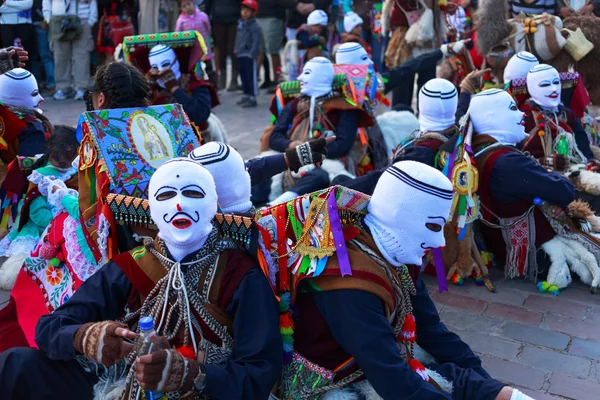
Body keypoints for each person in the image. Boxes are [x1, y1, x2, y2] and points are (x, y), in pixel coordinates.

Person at [0, 158, 283, 399]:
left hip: (204, 391)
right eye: (165, 196)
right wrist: (86, 338)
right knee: (18, 363)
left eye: (193, 194)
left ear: (214, 203)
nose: (179, 205)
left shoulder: (241, 275)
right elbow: (50, 327)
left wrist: (193, 374)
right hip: (118, 384)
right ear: (151, 207)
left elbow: (259, 372)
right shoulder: (131, 264)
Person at [270, 160, 532, 400]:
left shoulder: (396, 250)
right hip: (328, 383)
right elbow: (393, 381)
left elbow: (431, 329)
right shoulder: (348, 282)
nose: (440, 242)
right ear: (399, 214)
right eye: (433, 226)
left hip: (376, 363)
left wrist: (485, 381)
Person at [471, 88, 575, 280]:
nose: (522, 113)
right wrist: (553, 182)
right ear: (493, 118)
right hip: (537, 255)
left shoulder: (479, 151)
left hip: (498, 245)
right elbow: (565, 192)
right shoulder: (508, 162)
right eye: (512, 109)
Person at [269, 57, 373, 203]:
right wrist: (292, 145)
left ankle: (275, 204)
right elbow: (274, 138)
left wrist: (309, 151)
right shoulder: (294, 104)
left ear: (321, 77)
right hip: (291, 159)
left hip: (327, 163)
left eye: (307, 73)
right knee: (261, 170)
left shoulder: (345, 108)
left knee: (320, 177)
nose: (300, 77)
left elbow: (342, 146)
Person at [0, 126, 79, 290]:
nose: (68, 156)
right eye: (64, 151)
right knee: (18, 273)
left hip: (70, 221)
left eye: (72, 151)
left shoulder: (75, 171)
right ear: (52, 151)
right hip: (42, 229)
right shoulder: (41, 176)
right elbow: (36, 211)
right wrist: (57, 225)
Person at [145, 44, 216, 128]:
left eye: (165, 65)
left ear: (176, 62)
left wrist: (175, 89)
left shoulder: (195, 85)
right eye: (155, 67)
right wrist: (147, 91)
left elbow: (200, 116)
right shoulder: (155, 91)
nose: (160, 71)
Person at [43, 0, 98, 101]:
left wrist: (90, 21)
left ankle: (81, 88)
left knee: (82, 57)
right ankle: (62, 88)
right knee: (60, 57)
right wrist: (50, 20)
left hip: (82, 20)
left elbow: (92, 3)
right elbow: (46, 3)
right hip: (58, 21)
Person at [0, 68, 49, 157]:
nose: (41, 99)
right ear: (14, 97)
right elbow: (30, 167)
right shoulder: (32, 128)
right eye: (34, 94)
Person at [256, 0, 294, 92]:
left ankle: (277, 79)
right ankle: (253, 81)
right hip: (257, 15)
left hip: (273, 16)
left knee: (273, 51)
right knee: (259, 50)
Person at [205, 0, 241, 91]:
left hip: (234, 19)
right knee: (221, 50)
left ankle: (234, 79)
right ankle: (222, 78)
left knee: (233, 49)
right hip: (218, 20)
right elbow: (207, 4)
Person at [234, 0, 261, 108]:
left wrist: (252, 53)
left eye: (248, 10)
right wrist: (236, 50)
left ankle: (252, 96)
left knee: (251, 76)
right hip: (240, 54)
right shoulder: (240, 24)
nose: (244, 12)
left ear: (253, 13)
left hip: (249, 55)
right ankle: (246, 94)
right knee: (243, 76)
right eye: (243, 10)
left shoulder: (255, 27)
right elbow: (237, 38)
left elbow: (256, 41)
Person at [175, 0, 213, 77]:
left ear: (193, 3)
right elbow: (177, 35)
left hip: (204, 49)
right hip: (191, 51)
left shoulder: (203, 16)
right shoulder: (180, 20)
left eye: (188, 4)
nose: (187, 7)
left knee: (208, 71)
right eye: (184, 6)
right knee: (194, 72)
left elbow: (208, 29)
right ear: (181, 9)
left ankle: (212, 85)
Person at [0, 0, 35, 72]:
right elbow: (1, 8)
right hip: (6, 25)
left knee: (26, 55)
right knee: (8, 54)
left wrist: (7, 3)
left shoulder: (7, 2)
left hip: (24, 24)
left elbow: (28, 4)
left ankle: (27, 77)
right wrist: (20, 7)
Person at [31, 0, 55, 94]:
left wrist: (46, 21)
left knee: (45, 55)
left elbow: (49, 7)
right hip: (26, 26)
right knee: (31, 57)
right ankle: (35, 85)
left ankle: (52, 84)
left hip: (41, 25)